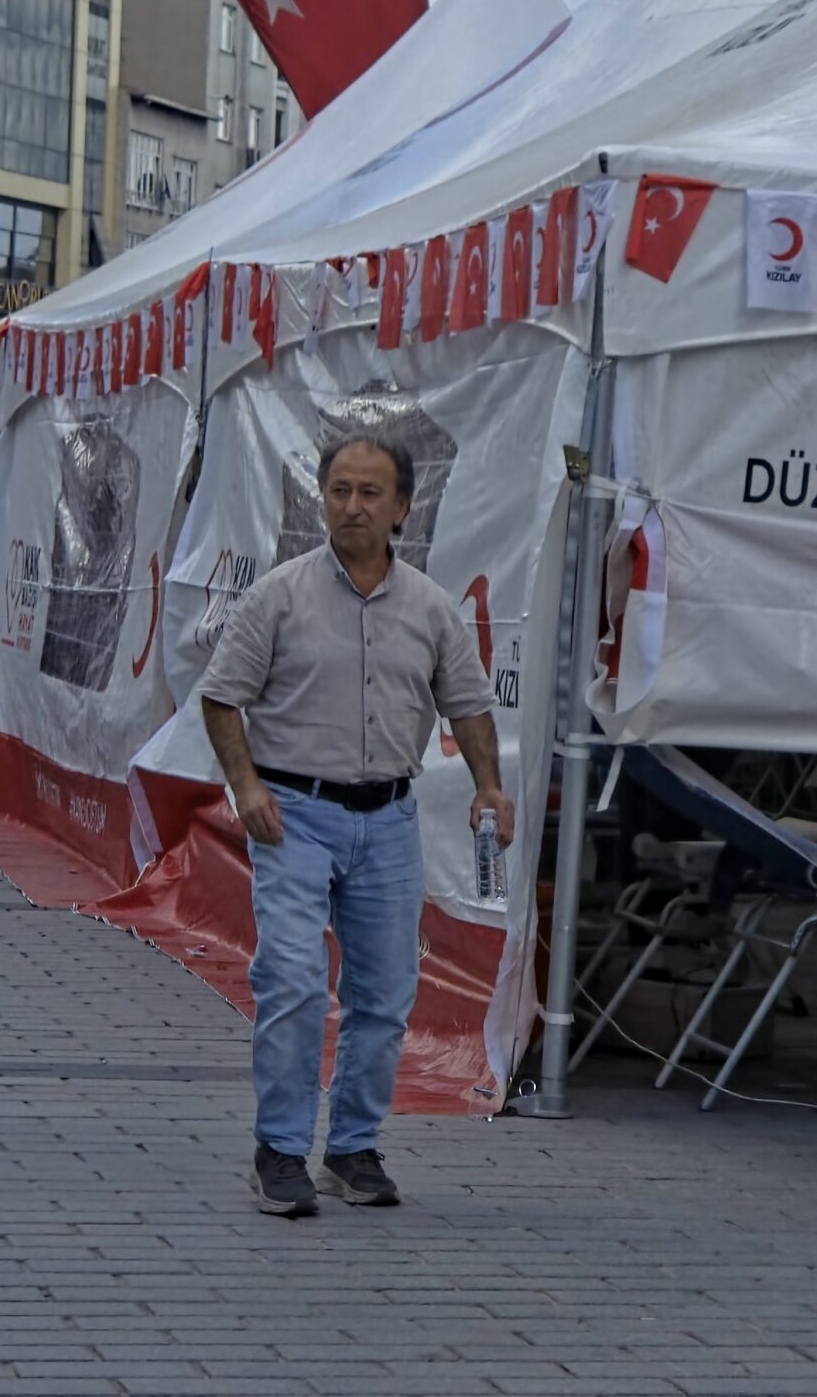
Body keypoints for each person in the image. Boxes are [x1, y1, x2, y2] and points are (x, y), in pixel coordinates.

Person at [198, 435, 510, 1218]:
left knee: (385, 995)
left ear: (402, 507)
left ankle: (352, 1149)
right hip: (294, 816)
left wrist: (489, 788)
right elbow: (220, 695)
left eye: (371, 493)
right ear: (321, 498)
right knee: (294, 983)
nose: (353, 507)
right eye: (339, 490)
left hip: (389, 821)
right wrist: (245, 786)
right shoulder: (278, 596)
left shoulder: (431, 608)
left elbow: (467, 704)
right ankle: (279, 1149)